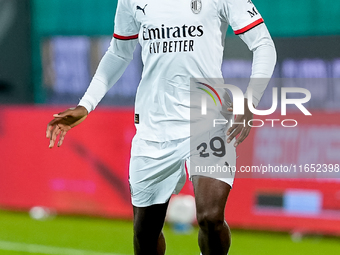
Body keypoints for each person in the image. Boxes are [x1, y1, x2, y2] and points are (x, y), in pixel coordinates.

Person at [46, 0, 276, 254]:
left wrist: (250, 101)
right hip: (154, 126)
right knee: (145, 233)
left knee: (211, 217)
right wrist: (86, 105)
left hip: (208, 119)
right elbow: (119, 53)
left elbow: (263, 44)